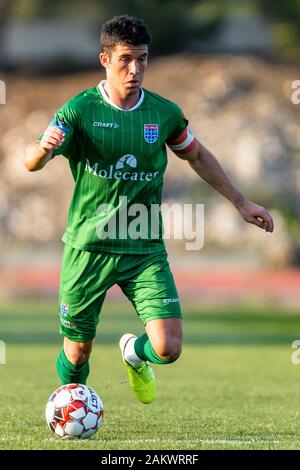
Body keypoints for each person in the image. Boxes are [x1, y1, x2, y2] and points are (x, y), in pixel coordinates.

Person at [24, 15, 274, 404]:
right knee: (77, 352)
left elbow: (199, 156)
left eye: (142, 59)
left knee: (169, 347)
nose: (135, 69)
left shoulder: (163, 113)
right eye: (126, 59)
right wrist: (42, 149)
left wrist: (241, 203)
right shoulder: (79, 111)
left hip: (144, 248)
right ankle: (68, 405)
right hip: (89, 249)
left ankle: (133, 354)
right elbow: (30, 162)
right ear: (104, 59)